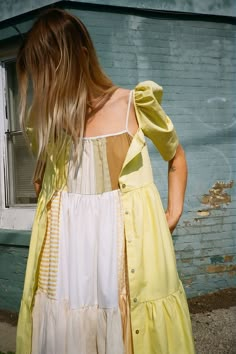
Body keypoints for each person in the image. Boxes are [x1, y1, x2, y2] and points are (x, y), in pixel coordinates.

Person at [16, 8, 195, 354]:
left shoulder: (134, 104)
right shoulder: (55, 124)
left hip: (121, 258)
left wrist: (172, 214)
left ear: (81, 58)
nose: (46, 89)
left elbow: (176, 157)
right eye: (40, 79)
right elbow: (43, 184)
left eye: (52, 76)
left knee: (128, 333)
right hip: (68, 263)